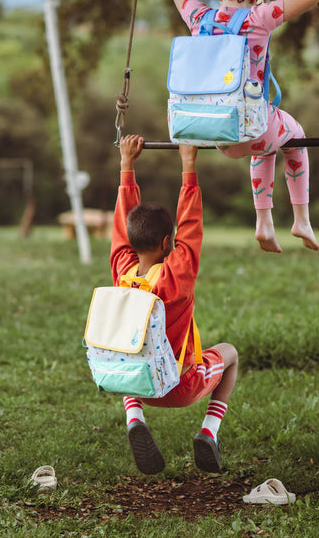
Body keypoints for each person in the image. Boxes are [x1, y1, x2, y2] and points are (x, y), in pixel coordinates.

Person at [136, 0, 319, 254]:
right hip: (249, 129)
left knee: (264, 137)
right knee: (293, 135)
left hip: (214, 134)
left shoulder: (198, 16)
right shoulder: (260, 17)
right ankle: (301, 219)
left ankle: (264, 223)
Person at [111, 133, 238, 475]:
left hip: (134, 383)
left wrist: (127, 165)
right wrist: (189, 164)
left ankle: (134, 417)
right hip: (178, 385)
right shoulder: (175, 275)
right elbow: (192, 227)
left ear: (131, 240)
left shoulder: (122, 273)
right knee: (230, 354)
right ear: (168, 243)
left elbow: (121, 233)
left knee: (131, 350)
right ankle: (209, 432)